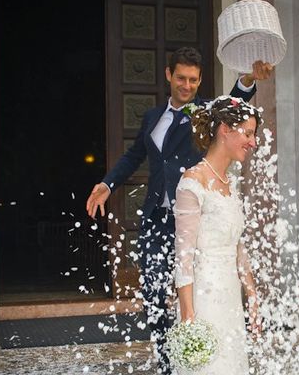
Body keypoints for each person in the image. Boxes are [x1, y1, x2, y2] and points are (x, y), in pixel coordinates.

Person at [85, 47, 272, 374]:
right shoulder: (152, 118)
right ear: (168, 75)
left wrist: (248, 79)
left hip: (194, 219)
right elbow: (134, 156)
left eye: (194, 81)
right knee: (156, 295)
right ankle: (169, 360)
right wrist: (108, 183)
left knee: (192, 290)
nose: (187, 86)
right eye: (182, 78)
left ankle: (197, 353)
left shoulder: (203, 112)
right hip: (156, 220)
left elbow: (232, 105)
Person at [174, 96, 262, 374]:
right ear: (225, 129)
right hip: (204, 300)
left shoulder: (230, 184)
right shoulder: (193, 181)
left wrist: (252, 295)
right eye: (247, 133)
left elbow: (237, 247)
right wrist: (188, 316)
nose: (253, 142)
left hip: (230, 299)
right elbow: (183, 256)